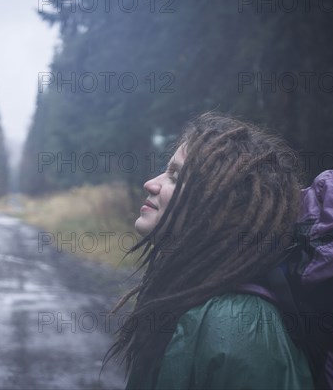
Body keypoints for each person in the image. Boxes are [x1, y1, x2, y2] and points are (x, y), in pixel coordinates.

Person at [104, 112, 313, 389]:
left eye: (175, 176)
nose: (151, 183)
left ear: (219, 204)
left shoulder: (238, 325)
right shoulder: (189, 293)